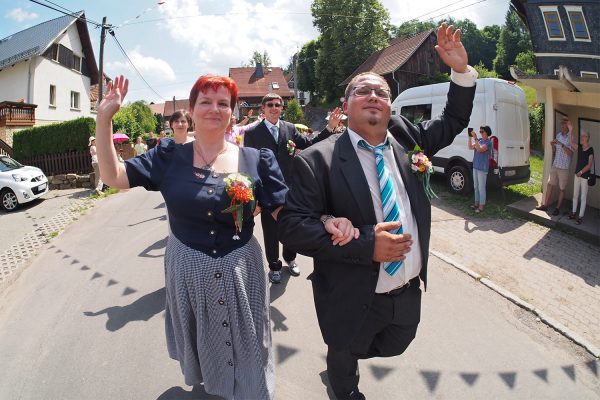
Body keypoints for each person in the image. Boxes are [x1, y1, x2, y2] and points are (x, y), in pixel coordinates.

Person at [94, 74, 353, 399]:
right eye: (205, 101)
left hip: (241, 269)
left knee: (248, 340)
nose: (214, 108)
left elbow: (281, 210)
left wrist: (324, 218)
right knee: (202, 337)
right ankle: (212, 385)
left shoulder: (256, 160)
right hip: (187, 269)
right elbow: (114, 176)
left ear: (232, 112)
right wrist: (104, 119)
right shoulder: (168, 156)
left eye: (223, 103)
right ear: (191, 109)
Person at [278, 23, 477, 400]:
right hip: (351, 293)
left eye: (382, 92)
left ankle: (344, 356)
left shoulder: (407, 139)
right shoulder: (316, 160)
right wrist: (366, 244)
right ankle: (343, 385)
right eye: (362, 91)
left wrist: (461, 73)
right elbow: (291, 225)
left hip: (406, 292)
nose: (373, 96)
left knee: (397, 344)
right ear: (346, 105)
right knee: (344, 353)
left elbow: (452, 121)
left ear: (391, 104)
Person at [244, 93, 334, 283]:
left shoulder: (290, 128)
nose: (275, 108)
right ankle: (274, 265)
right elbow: (249, 166)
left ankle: (290, 258)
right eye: (270, 104)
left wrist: (329, 128)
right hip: (267, 192)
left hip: (291, 189)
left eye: (278, 105)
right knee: (271, 231)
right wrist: (255, 198)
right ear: (263, 108)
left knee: (292, 226)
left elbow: (310, 145)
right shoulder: (252, 134)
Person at [536, 117, 574, 215]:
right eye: (561, 123)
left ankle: (557, 208)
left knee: (562, 188)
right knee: (549, 184)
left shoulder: (571, 137)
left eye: (564, 123)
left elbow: (570, 153)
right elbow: (555, 152)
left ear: (567, 125)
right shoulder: (558, 135)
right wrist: (552, 145)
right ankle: (545, 205)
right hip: (555, 165)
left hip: (564, 168)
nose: (562, 125)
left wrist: (561, 144)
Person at [569, 130, 594, 225]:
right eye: (582, 136)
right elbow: (571, 143)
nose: (582, 137)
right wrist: (571, 130)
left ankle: (580, 217)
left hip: (584, 176)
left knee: (583, 197)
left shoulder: (590, 149)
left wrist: (581, 172)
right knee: (575, 195)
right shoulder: (579, 147)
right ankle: (573, 213)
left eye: (584, 136)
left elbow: (589, 164)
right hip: (577, 175)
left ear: (588, 138)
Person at [468, 125, 492, 213]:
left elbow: (480, 149)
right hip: (475, 166)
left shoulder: (488, 143)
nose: (481, 133)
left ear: (487, 132)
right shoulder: (480, 140)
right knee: (476, 187)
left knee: (481, 187)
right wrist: (470, 138)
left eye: (482, 131)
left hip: (482, 168)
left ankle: (481, 206)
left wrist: (475, 139)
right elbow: (470, 147)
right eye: (480, 131)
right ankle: (476, 204)